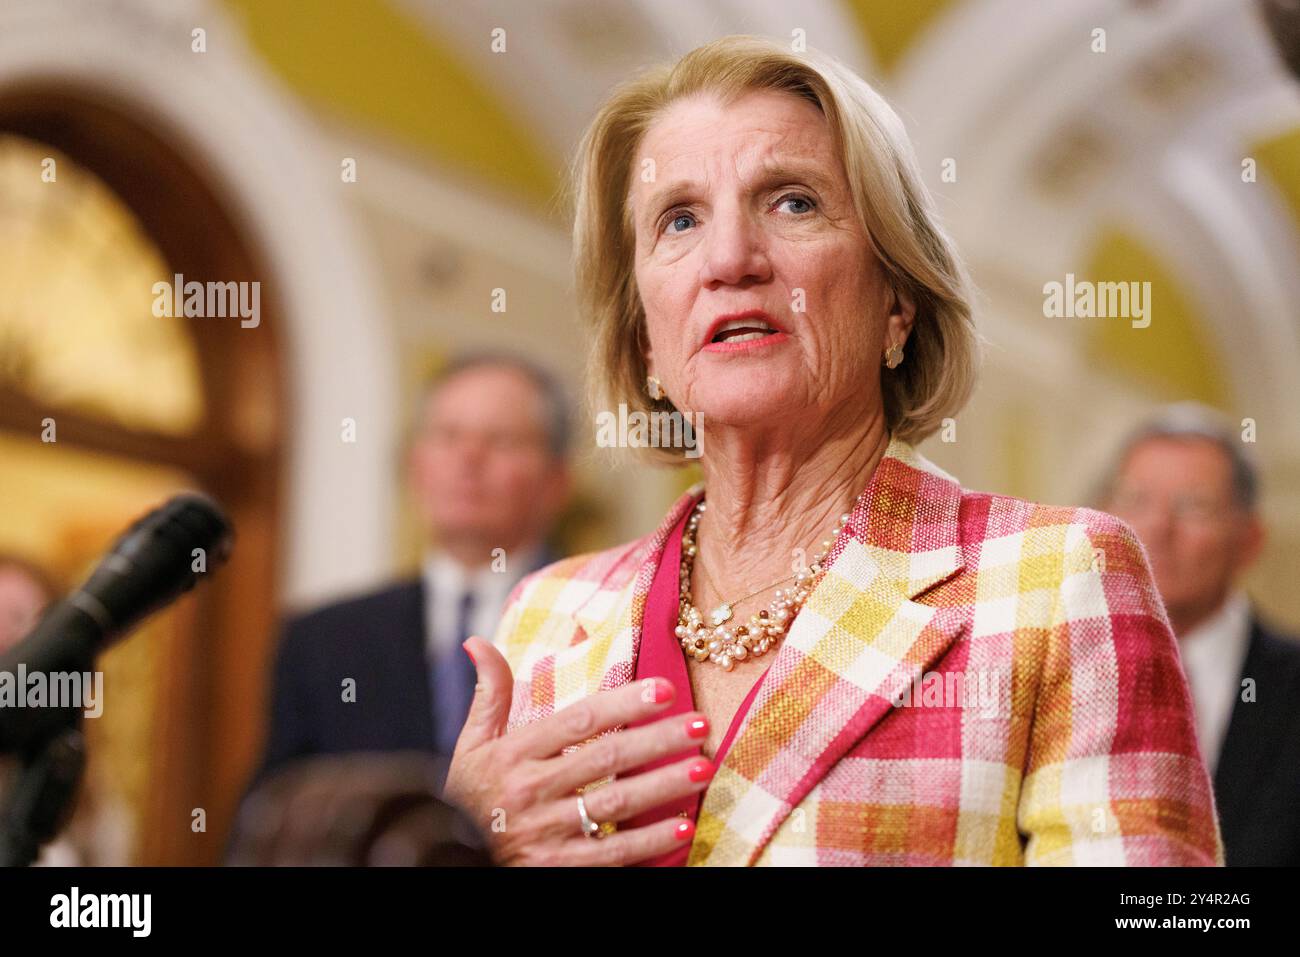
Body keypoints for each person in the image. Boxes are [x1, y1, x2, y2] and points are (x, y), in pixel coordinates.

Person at [440, 35, 1223, 866]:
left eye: (793, 202)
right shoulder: (548, 614)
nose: (730, 259)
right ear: (644, 340)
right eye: (680, 219)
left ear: (898, 303)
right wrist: (456, 843)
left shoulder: (1060, 579)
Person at [249, 354, 572, 791]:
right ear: (415, 465)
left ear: (556, 480)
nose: (468, 459)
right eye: (447, 436)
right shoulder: (324, 640)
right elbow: (270, 819)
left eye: (501, 440)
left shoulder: (599, 623)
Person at [1100, 403, 1300, 866]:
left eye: (1194, 507)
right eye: (1136, 500)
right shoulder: (1053, 667)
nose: (1158, 528)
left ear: (1249, 539)